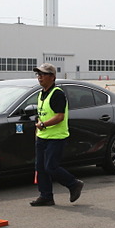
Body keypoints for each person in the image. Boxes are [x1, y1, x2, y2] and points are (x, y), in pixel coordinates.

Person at [30, 63, 84, 206]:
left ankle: (73, 184)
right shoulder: (41, 93)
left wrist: (43, 125)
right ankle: (46, 196)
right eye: (38, 74)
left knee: (51, 167)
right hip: (42, 136)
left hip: (56, 137)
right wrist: (39, 129)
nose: (39, 77)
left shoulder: (57, 94)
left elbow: (60, 116)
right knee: (40, 168)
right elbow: (43, 114)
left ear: (52, 77)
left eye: (43, 74)